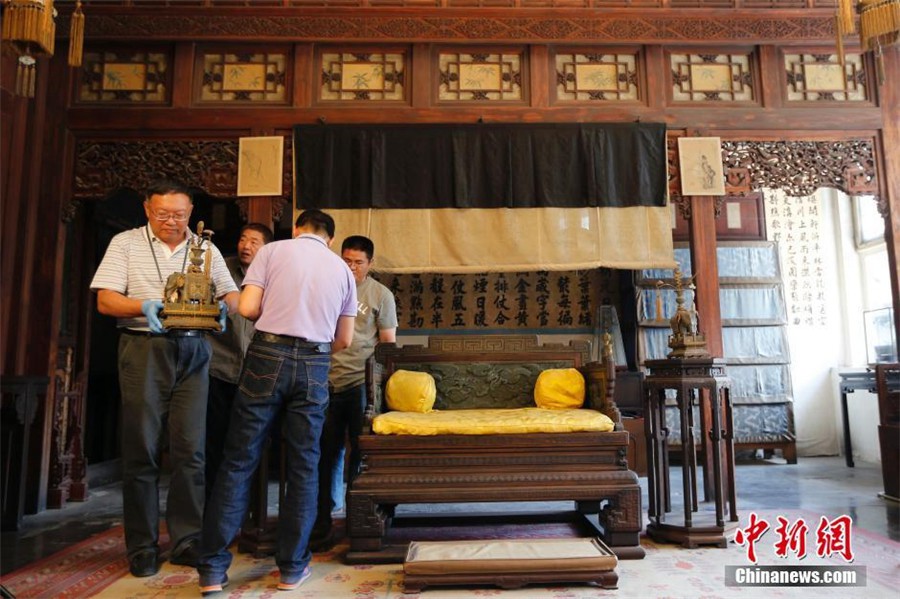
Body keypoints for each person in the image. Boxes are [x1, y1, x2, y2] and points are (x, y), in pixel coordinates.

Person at [197, 209, 356, 595]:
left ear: (297, 229)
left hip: (266, 355)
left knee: (239, 459)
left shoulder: (273, 252)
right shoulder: (343, 271)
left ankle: (213, 571)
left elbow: (248, 309)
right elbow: (345, 340)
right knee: (304, 464)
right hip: (315, 362)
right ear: (331, 240)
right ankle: (291, 569)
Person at [90, 179, 240, 578]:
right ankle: (141, 544)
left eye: (179, 214)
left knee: (191, 450)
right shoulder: (125, 243)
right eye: (163, 213)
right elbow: (105, 299)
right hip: (144, 347)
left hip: (195, 349)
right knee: (142, 449)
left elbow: (232, 295)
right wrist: (143, 305)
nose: (172, 221)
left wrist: (229, 308)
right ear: (147, 209)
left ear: (191, 212)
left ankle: (187, 539)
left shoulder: (204, 247)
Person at [310, 235, 397, 552]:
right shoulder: (325, 286)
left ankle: (356, 522)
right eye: (346, 259)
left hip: (361, 383)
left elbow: (387, 344)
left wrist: (378, 388)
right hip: (325, 381)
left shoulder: (380, 295)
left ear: (370, 263)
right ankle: (321, 524)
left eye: (358, 262)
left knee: (360, 456)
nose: (351, 266)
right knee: (324, 453)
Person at [205, 223, 274, 499]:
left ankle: (246, 505)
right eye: (243, 239)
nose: (246, 246)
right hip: (219, 367)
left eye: (254, 242)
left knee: (248, 443)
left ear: (266, 248)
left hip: (257, 372)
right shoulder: (222, 268)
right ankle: (211, 504)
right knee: (214, 440)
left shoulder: (273, 275)